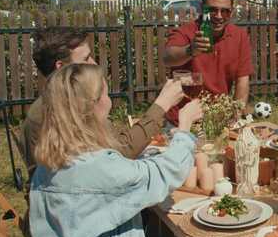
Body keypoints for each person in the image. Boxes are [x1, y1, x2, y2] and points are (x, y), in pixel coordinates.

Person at [29, 64, 203, 237]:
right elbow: (164, 172)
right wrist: (185, 126)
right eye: (106, 94)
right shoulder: (97, 168)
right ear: (93, 105)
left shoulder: (48, 165)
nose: (110, 101)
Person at [20, 27, 184, 174]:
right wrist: (161, 106)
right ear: (61, 66)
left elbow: (116, 144)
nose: (94, 63)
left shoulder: (66, 101)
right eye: (86, 59)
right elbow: (120, 153)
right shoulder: (57, 111)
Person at [164, 0, 253, 124]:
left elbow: (243, 80)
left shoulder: (239, 36)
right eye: (213, 10)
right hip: (181, 122)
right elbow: (167, 58)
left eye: (225, 11)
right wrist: (190, 50)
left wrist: (235, 117)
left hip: (218, 121)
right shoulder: (186, 32)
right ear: (202, 8)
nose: (219, 16)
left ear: (232, 11)